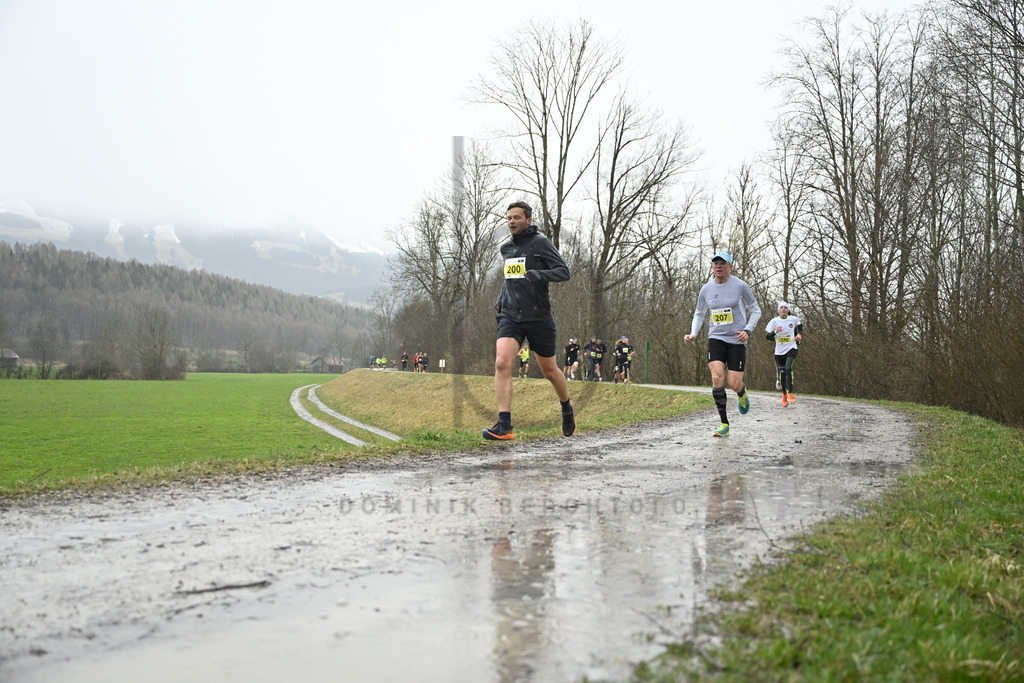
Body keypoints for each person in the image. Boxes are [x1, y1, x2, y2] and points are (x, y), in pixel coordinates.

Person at [483, 201, 575, 440]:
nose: (511, 221)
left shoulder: (540, 244)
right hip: (511, 316)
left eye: (516, 217)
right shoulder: (506, 249)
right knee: (502, 362)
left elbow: (564, 272)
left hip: (538, 317)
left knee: (549, 370)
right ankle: (504, 425)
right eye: (509, 218)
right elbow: (510, 280)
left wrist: (539, 274)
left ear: (528, 220)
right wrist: (501, 299)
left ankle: (566, 407)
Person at [684, 252, 762, 437]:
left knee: (734, 383)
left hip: (737, 339)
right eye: (715, 264)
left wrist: (748, 330)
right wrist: (694, 333)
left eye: (722, 263)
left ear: (730, 266)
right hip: (716, 337)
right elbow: (699, 313)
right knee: (717, 377)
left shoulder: (740, 286)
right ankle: (724, 423)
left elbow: (755, 310)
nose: (718, 266)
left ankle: (742, 393)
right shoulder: (706, 289)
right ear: (712, 267)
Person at [765, 301, 803, 406]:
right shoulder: (774, 321)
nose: (783, 309)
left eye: (785, 308)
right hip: (779, 351)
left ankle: (790, 393)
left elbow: (800, 325)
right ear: (778, 310)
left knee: (788, 368)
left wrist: (799, 334)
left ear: (788, 310)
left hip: (791, 347)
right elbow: (768, 337)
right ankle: (784, 396)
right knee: (782, 373)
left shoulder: (793, 319)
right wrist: (775, 332)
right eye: (781, 308)